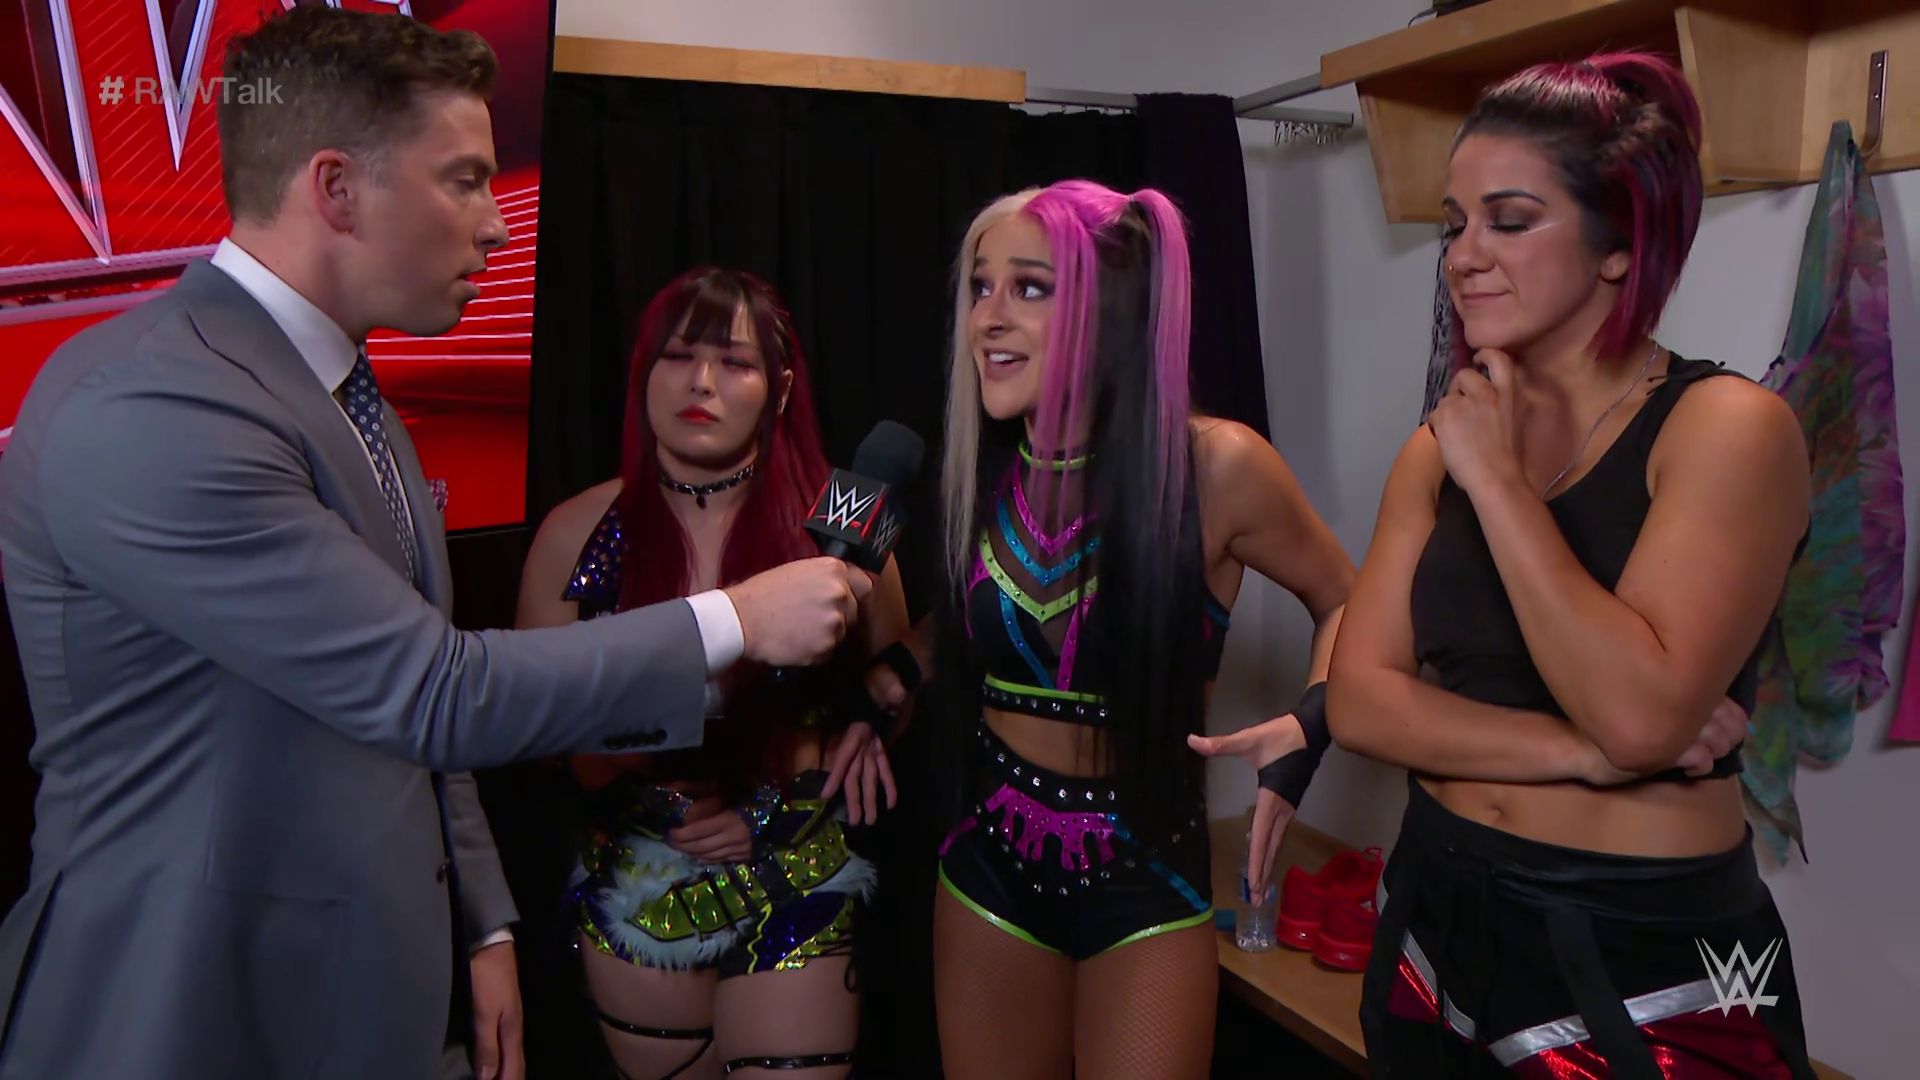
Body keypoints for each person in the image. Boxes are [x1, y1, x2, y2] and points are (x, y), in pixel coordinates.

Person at [0, 9, 868, 1080]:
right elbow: (431, 689)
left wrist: (480, 920)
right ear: (336, 190)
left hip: (371, 987)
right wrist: (737, 619)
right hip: (188, 1005)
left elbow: (407, 724)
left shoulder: (348, 399)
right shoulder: (157, 406)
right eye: (464, 180)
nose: (498, 224)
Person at [1326, 52, 1818, 1078]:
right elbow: (1362, 702)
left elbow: (1637, 714)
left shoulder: (1727, 429)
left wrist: (1498, 483)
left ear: (1619, 245)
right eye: (1455, 225)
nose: (1464, 257)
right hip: (1433, 913)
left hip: (1645, 949)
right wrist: (1585, 755)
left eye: (1509, 221)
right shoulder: (1438, 446)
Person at [865, 179, 1354, 1080]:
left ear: (1111, 307)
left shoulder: (1215, 467)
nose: (989, 317)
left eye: (1029, 287)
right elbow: (985, 619)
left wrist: (1310, 725)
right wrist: (894, 670)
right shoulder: (987, 469)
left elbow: (1349, 602)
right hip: (987, 868)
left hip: (1146, 877)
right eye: (980, 286)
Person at [513, 266, 908, 1080]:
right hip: (638, 885)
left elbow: (888, 702)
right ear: (642, 372)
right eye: (678, 355)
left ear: (780, 387)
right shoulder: (573, 534)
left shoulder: (842, 529)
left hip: (797, 877)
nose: (701, 382)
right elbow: (530, 731)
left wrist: (777, 807)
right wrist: (659, 801)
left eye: (734, 361)